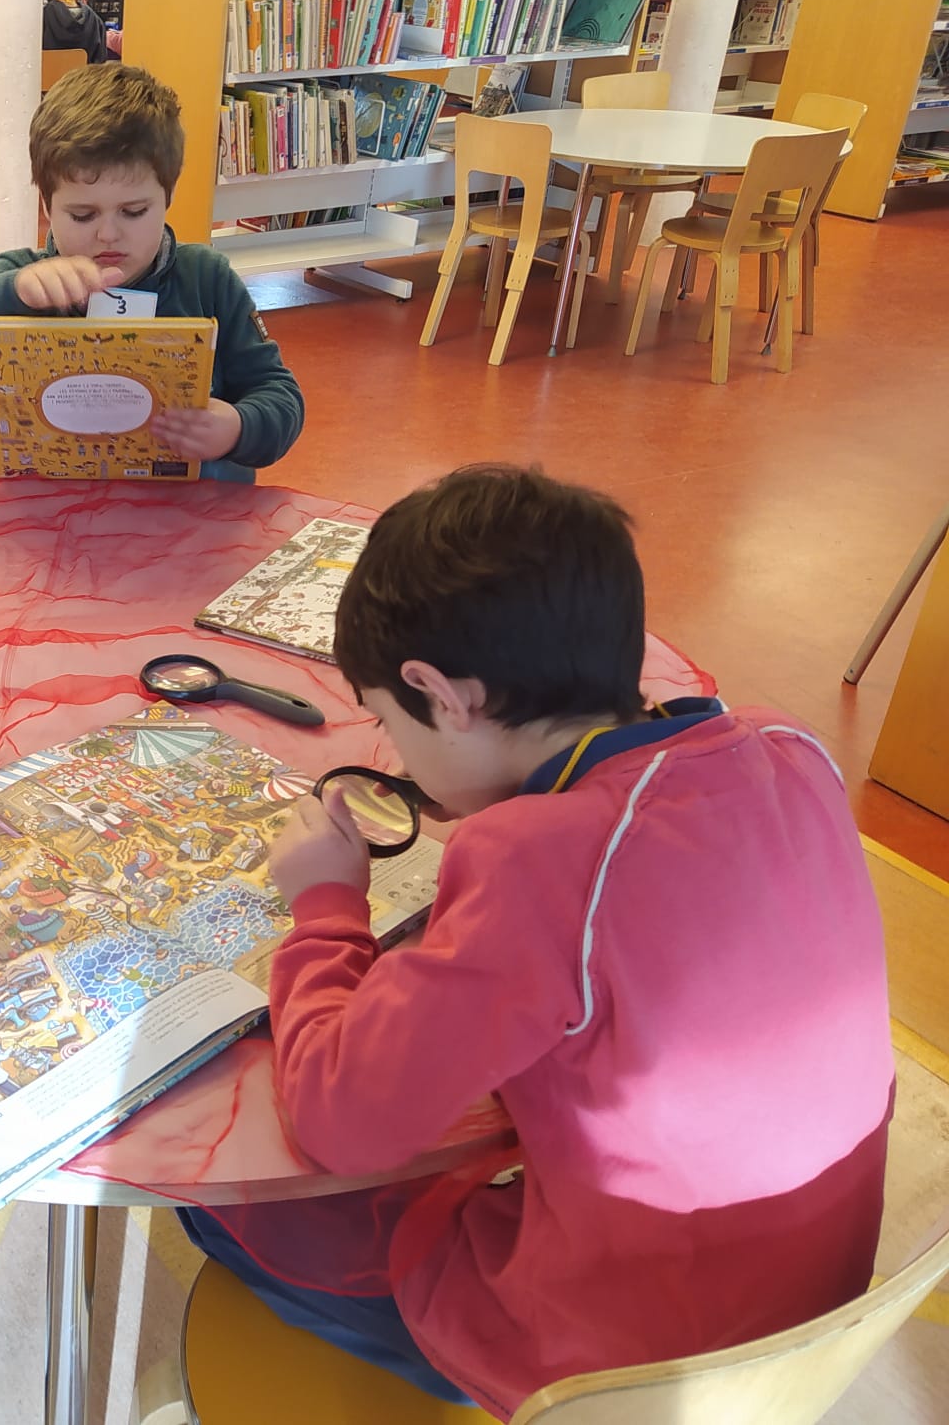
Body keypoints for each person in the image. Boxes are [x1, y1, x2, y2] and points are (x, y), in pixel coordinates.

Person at [186, 465, 894, 1416]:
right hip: (817, 1299)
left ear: (441, 693)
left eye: (389, 722)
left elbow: (338, 1121)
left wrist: (326, 907)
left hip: (626, 1370)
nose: (394, 755)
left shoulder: (536, 857)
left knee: (222, 1207)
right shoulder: (789, 748)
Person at [0, 64, 304, 483]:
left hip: (195, 512)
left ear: (168, 196)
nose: (108, 234)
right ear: (47, 205)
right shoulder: (26, 281)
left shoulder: (206, 278)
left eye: (134, 211)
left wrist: (238, 427)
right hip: (59, 512)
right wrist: (10, 292)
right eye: (82, 215)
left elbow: (280, 396)